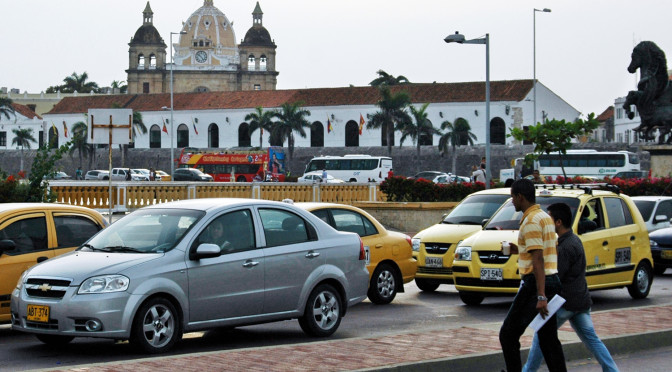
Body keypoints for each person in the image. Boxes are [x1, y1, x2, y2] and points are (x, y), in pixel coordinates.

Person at [523, 203, 618, 372]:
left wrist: (541, 294)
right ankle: (612, 370)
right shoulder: (574, 240)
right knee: (591, 339)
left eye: (549, 218)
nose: (545, 221)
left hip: (564, 303)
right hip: (580, 301)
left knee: (541, 336)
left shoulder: (565, 247)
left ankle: (528, 370)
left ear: (558, 222)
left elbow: (556, 277)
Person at [499, 179, 566, 372]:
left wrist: (541, 295)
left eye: (513, 197)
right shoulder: (544, 217)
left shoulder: (530, 221)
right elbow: (545, 250)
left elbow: (538, 260)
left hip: (535, 284)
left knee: (508, 334)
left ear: (520, 197)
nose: (512, 201)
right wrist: (519, 250)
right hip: (552, 280)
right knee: (548, 339)